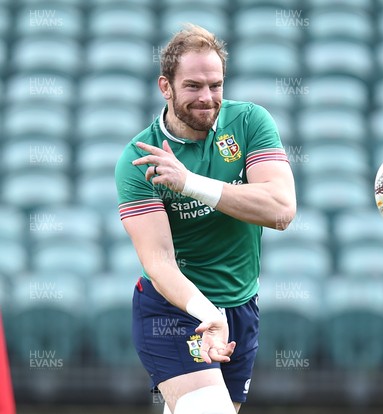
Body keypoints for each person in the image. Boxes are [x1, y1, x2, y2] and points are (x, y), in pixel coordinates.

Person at [114, 24, 296, 414]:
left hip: (241, 307)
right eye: (194, 86)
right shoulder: (138, 159)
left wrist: (191, 183)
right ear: (166, 87)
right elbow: (158, 263)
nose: (207, 98)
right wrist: (207, 313)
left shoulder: (250, 122)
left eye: (216, 85)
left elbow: (281, 210)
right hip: (174, 310)